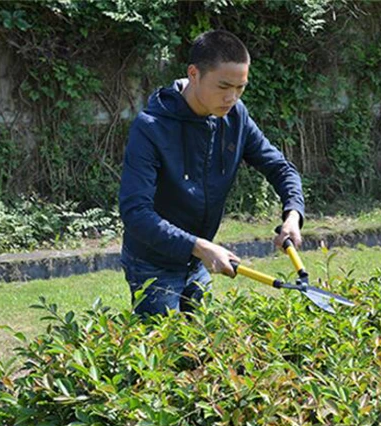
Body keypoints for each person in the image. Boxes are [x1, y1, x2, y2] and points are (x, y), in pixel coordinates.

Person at [118, 29, 305, 316]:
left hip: (198, 259)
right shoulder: (151, 127)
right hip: (152, 262)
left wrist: (293, 215)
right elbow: (135, 213)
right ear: (194, 74)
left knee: (201, 348)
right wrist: (199, 247)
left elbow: (280, 167)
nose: (231, 97)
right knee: (163, 352)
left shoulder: (235, 116)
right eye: (223, 86)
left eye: (240, 87)